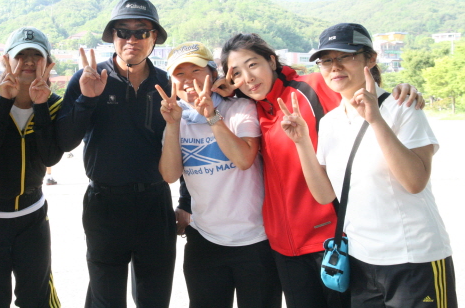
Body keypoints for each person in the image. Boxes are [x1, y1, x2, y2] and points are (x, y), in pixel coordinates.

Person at [215, 32, 424, 308]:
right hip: (284, 247)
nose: (248, 77)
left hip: (332, 240)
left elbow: (359, 89)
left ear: (272, 61)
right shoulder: (254, 107)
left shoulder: (312, 86)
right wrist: (222, 91)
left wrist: (401, 90)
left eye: (253, 65)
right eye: (236, 73)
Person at [278, 23, 457, 307]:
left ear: (370, 59)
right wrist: (302, 143)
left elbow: (415, 182)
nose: (335, 67)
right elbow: (324, 195)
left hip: (414, 259)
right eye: (326, 60)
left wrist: (375, 120)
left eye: (345, 56)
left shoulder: (402, 107)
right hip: (361, 262)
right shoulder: (330, 123)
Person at [56, 0, 177, 308]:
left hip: (155, 203)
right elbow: (65, 142)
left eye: (142, 32)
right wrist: (87, 99)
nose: (131, 39)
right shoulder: (87, 78)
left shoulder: (167, 84)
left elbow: (186, 145)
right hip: (104, 204)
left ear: (154, 38)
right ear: (112, 36)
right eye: (123, 31)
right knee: (105, 299)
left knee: (155, 299)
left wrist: (187, 203)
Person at [157, 42, 282, 308]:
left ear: (213, 74)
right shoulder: (176, 118)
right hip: (205, 240)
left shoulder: (239, 108)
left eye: (196, 70)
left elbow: (244, 159)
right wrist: (173, 124)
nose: (188, 80)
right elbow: (170, 175)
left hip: (255, 240)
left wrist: (212, 116)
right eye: (180, 74)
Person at [0, 26, 63, 308]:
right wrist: (5, 100)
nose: (29, 61)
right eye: (21, 55)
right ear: (6, 61)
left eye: (37, 55)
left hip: (32, 217)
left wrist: (40, 106)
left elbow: (50, 157)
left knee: (37, 299)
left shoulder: (54, 106)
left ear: (48, 63)